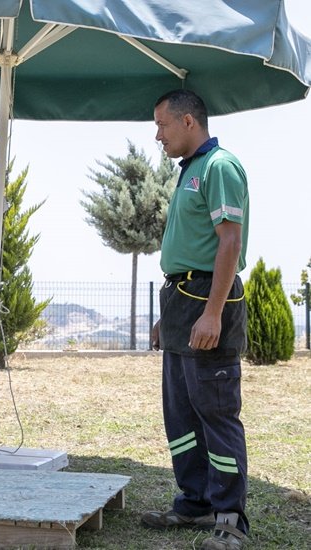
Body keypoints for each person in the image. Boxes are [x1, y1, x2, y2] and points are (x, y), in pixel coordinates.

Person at [141, 89, 249, 550]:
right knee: (181, 414)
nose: (158, 135)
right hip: (181, 299)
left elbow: (229, 244)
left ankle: (229, 518)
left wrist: (211, 314)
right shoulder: (190, 171)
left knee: (217, 414)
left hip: (209, 299)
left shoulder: (220, 166)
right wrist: (170, 318)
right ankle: (195, 503)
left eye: (163, 125)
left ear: (189, 122)